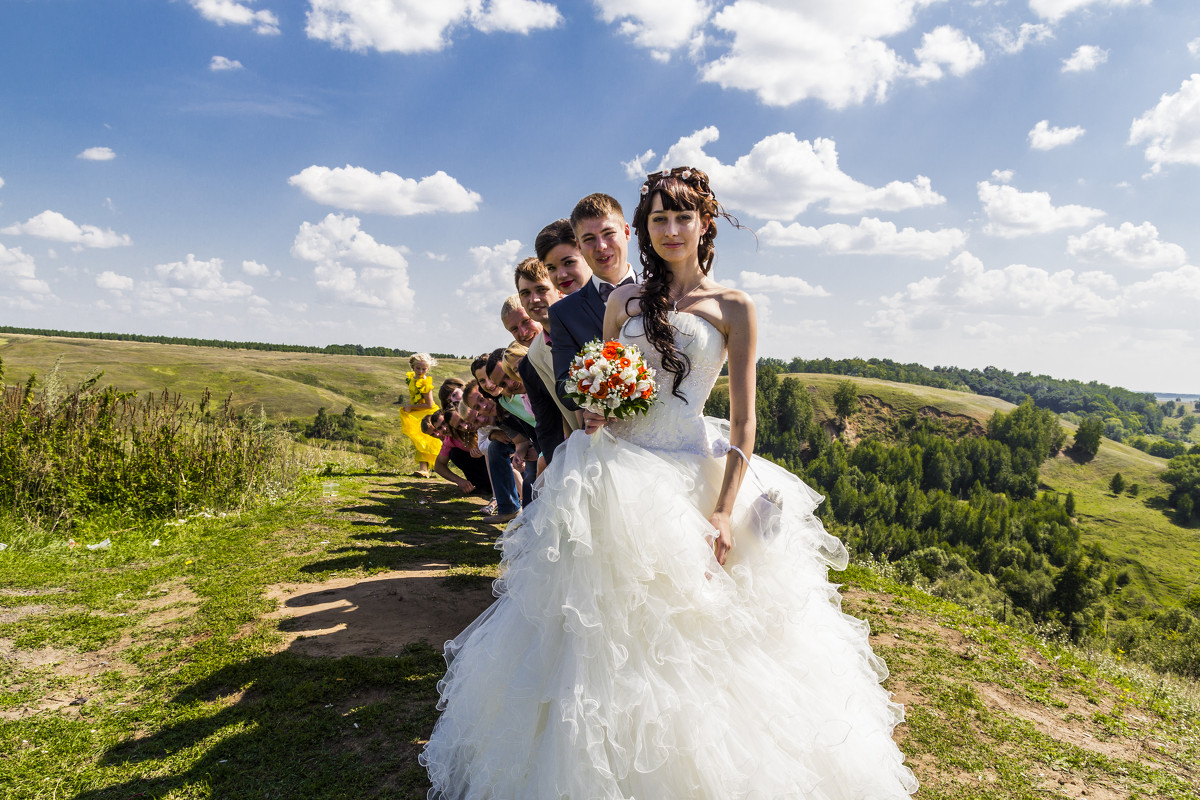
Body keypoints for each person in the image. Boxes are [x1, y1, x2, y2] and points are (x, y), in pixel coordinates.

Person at [421, 167, 918, 797]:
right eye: (659, 218)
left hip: (690, 473)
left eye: (681, 217)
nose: (671, 229)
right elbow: (601, 388)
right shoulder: (622, 304)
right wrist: (596, 411)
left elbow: (743, 421)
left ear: (704, 223)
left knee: (701, 637)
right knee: (599, 638)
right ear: (646, 229)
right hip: (615, 479)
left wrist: (722, 509)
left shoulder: (735, 308)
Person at [548, 193, 637, 417]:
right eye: (589, 239)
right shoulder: (563, 313)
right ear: (578, 245)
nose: (601, 246)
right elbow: (563, 388)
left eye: (608, 233)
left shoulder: (663, 288)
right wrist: (601, 377)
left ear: (626, 232)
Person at [514, 253, 574, 466]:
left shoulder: (588, 321)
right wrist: (556, 468)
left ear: (559, 289)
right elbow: (547, 425)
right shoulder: (532, 360)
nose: (534, 300)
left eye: (541, 289)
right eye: (525, 293)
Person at [397, 353, 441, 477]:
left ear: (428, 369)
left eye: (424, 369)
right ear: (412, 367)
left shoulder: (424, 383)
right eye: (418, 368)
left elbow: (429, 404)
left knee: (427, 441)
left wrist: (411, 407)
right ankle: (425, 469)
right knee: (420, 441)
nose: (421, 371)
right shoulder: (412, 378)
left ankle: (428, 469)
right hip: (418, 413)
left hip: (427, 414)